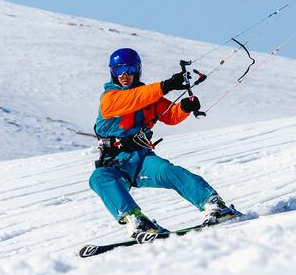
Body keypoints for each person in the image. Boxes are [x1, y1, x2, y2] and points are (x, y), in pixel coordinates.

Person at [89, 47, 236, 238]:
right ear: (112, 72)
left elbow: (171, 116)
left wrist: (185, 107)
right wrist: (166, 85)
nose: (124, 75)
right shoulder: (110, 98)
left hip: (142, 160)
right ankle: (136, 220)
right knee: (99, 178)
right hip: (115, 163)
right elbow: (133, 99)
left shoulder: (150, 96)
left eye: (130, 69)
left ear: (138, 70)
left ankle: (215, 205)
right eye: (118, 70)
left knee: (169, 171)